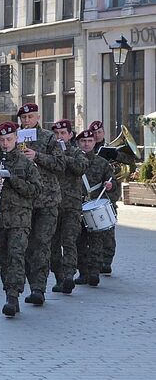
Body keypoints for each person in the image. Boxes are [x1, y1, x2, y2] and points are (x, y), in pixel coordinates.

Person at [0, 122, 42, 317]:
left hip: (20, 219)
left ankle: (13, 296)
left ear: (16, 139)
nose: (5, 143)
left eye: (9, 139)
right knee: (4, 259)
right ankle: (9, 291)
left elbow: (36, 190)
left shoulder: (26, 164)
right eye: (2, 140)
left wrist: (14, 181)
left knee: (16, 256)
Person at [16, 103, 65, 306]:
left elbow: (61, 164)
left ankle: (39, 288)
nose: (27, 121)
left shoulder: (48, 137)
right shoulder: (14, 138)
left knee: (42, 244)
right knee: (26, 246)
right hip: (24, 201)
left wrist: (38, 156)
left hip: (47, 200)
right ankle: (32, 282)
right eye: (23, 118)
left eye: (30, 117)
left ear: (38, 117)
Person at [75, 129, 119, 287]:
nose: (86, 144)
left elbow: (114, 183)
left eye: (90, 141)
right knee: (79, 241)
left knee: (96, 242)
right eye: (83, 141)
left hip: (94, 207)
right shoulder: (73, 161)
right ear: (78, 143)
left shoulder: (102, 163)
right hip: (76, 207)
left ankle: (94, 273)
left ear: (94, 143)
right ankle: (83, 272)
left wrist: (110, 186)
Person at [50, 120, 89, 294]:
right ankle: (59, 276)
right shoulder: (49, 152)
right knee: (53, 243)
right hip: (52, 204)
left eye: (63, 133)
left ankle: (68, 276)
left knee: (69, 241)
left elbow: (80, 167)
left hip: (72, 205)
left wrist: (63, 156)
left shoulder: (76, 152)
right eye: (57, 134)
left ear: (70, 135)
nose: (60, 137)